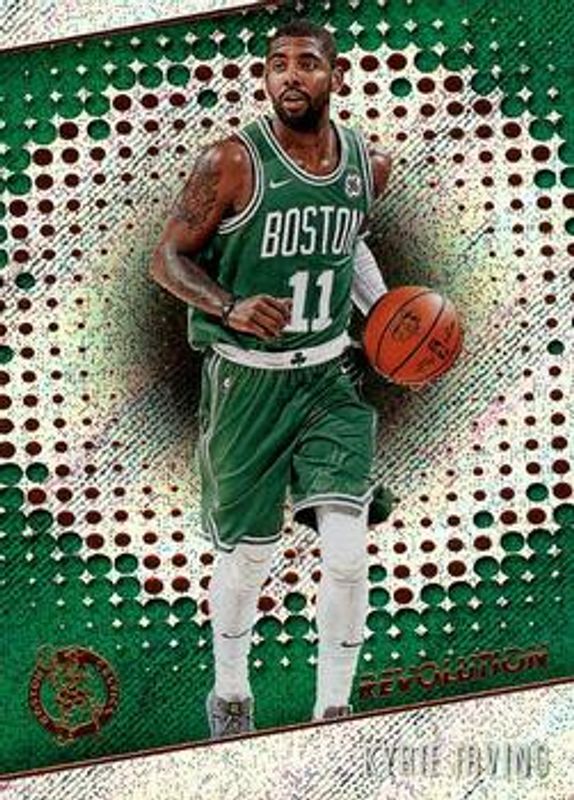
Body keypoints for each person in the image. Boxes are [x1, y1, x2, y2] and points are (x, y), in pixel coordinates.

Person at [151, 18, 392, 738]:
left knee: (347, 556)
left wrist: (387, 320)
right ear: (264, 77)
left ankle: (333, 712)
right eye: (277, 63)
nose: (290, 74)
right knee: (250, 557)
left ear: (335, 77)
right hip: (246, 384)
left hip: (326, 381)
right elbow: (166, 259)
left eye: (307, 63)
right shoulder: (230, 161)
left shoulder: (368, 163)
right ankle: (230, 693)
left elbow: (350, 246)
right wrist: (228, 304)